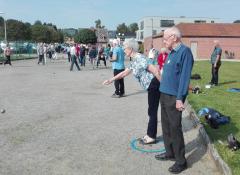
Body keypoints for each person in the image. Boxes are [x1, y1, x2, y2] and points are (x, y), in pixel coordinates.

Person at [103, 38, 161, 144]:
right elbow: (125, 73)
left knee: (152, 111)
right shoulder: (134, 60)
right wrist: (111, 80)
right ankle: (149, 134)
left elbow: (155, 71)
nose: (124, 50)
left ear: (130, 49)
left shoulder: (140, 58)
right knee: (151, 111)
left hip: (154, 85)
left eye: (125, 48)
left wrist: (163, 84)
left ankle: (151, 136)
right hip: (151, 86)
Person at [154, 27, 194, 174]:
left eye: (165, 38)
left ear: (174, 38)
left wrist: (180, 98)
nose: (164, 41)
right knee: (166, 127)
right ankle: (169, 153)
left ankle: (181, 161)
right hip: (164, 94)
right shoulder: (171, 52)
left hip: (173, 97)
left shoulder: (185, 52)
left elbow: (184, 77)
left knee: (175, 129)